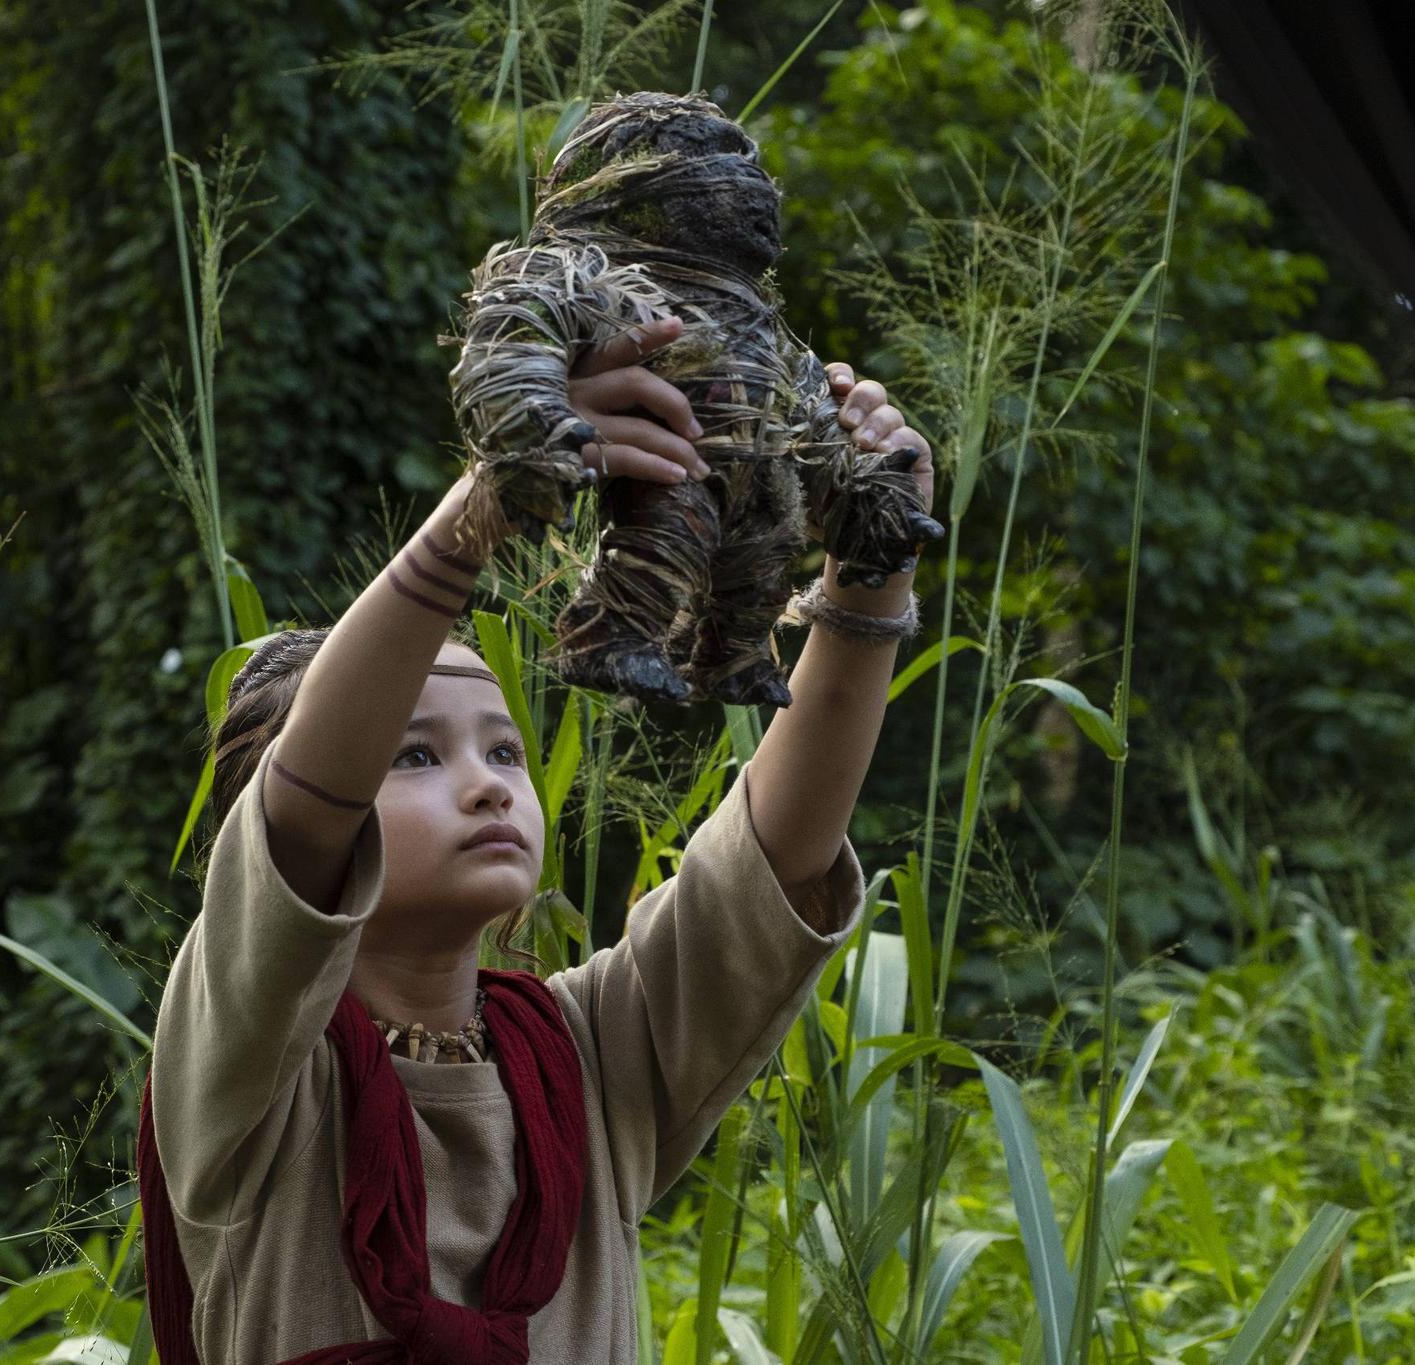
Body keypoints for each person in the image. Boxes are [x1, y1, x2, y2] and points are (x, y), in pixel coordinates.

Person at [136, 318, 936, 1363]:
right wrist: (496, 493)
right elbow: (307, 801)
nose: (485, 786)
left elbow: (773, 852)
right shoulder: (242, 1073)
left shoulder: (589, 1061)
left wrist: (871, 567)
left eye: (505, 752)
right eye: (414, 755)